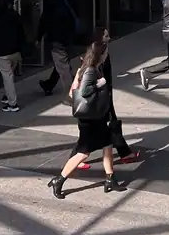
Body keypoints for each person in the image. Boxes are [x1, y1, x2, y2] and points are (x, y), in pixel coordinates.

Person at [48, 40, 126, 198]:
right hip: (91, 120)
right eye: (105, 53)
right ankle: (60, 179)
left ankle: (111, 179)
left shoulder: (86, 67)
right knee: (83, 153)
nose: (106, 56)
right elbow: (84, 91)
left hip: (94, 117)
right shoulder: (91, 70)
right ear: (100, 54)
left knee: (108, 145)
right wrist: (100, 83)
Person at [74, 28, 139, 169]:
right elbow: (89, 82)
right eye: (106, 35)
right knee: (108, 125)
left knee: (104, 127)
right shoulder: (96, 55)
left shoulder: (104, 51)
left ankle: (122, 154)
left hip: (103, 95)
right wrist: (101, 85)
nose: (109, 37)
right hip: (99, 97)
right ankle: (123, 154)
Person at [37, 0, 78, 97]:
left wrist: (38, 37)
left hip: (57, 38)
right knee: (61, 62)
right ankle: (49, 84)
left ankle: (72, 95)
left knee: (63, 67)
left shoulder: (51, 0)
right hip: (70, 35)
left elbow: (44, 20)